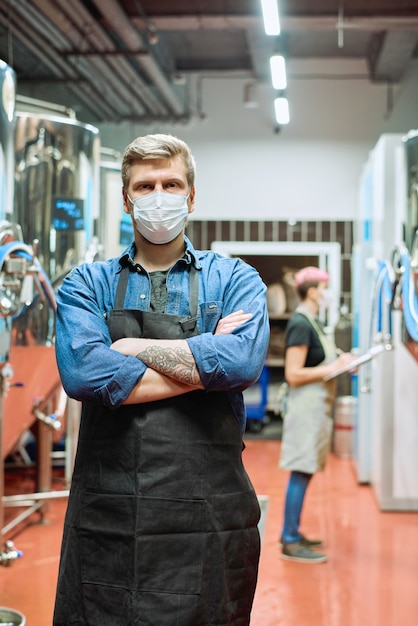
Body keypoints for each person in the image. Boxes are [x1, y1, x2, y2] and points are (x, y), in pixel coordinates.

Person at [52, 133, 270, 625]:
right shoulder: (87, 283)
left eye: (171, 183)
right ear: (127, 198)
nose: (158, 196)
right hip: (109, 521)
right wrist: (205, 361)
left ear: (191, 196)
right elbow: (84, 373)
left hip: (209, 520)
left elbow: (242, 365)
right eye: (145, 186)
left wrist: (130, 349)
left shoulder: (234, 279)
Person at [279, 266, 356, 563]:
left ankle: (293, 532)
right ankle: (289, 540)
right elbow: (294, 373)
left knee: (305, 470)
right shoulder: (300, 323)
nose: (326, 294)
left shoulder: (313, 322)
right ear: (311, 292)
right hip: (304, 409)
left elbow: (321, 359)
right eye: (324, 289)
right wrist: (332, 368)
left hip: (316, 409)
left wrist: (345, 360)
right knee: (300, 470)